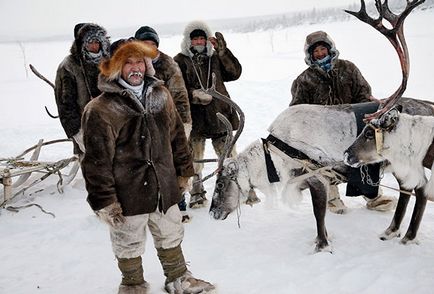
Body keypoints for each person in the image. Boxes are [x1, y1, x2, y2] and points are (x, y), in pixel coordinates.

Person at [80, 39, 215, 294]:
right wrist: (106, 201)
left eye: (139, 62)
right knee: (128, 241)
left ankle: (178, 277)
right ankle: (132, 284)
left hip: (163, 186)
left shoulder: (161, 96)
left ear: (147, 65)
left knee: (170, 232)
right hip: (127, 192)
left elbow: (177, 137)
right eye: (127, 62)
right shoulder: (100, 109)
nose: (135, 68)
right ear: (116, 67)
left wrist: (184, 173)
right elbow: (96, 162)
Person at [290, 30, 396, 213]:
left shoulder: (348, 68)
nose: (320, 53)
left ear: (330, 48)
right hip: (324, 132)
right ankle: (331, 197)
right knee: (325, 165)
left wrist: (363, 113)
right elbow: (297, 111)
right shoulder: (303, 80)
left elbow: (363, 94)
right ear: (310, 55)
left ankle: (372, 196)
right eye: (315, 52)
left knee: (364, 159)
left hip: (353, 125)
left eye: (323, 48)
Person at [174, 20, 254, 208]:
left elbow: (234, 73)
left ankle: (237, 189)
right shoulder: (179, 61)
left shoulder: (215, 58)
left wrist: (223, 52)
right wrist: (193, 95)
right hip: (195, 120)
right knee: (194, 159)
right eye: (196, 39)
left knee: (229, 157)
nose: (199, 42)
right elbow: (176, 88)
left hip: (220, 115)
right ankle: (197, 192)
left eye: (202, 38)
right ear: (188, 41)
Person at [134, 25, 193, 222]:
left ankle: (180, 205)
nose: (148, 47)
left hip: (168, 125)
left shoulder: (168, 64)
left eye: (152, 44)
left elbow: (179, 95)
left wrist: (184, 124)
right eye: (144, 43)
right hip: (141, 126)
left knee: (174, 164)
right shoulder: (133, 64)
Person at [54, 23, 110, 155]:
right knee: (92, 169)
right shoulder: (68, 66)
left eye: (97, 42)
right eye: (90, 42)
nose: (94, 46)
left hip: (111, 128)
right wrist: (77, 133)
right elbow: (65, 105)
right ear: (82, 43)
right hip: (84, 128)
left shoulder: (109, 62)